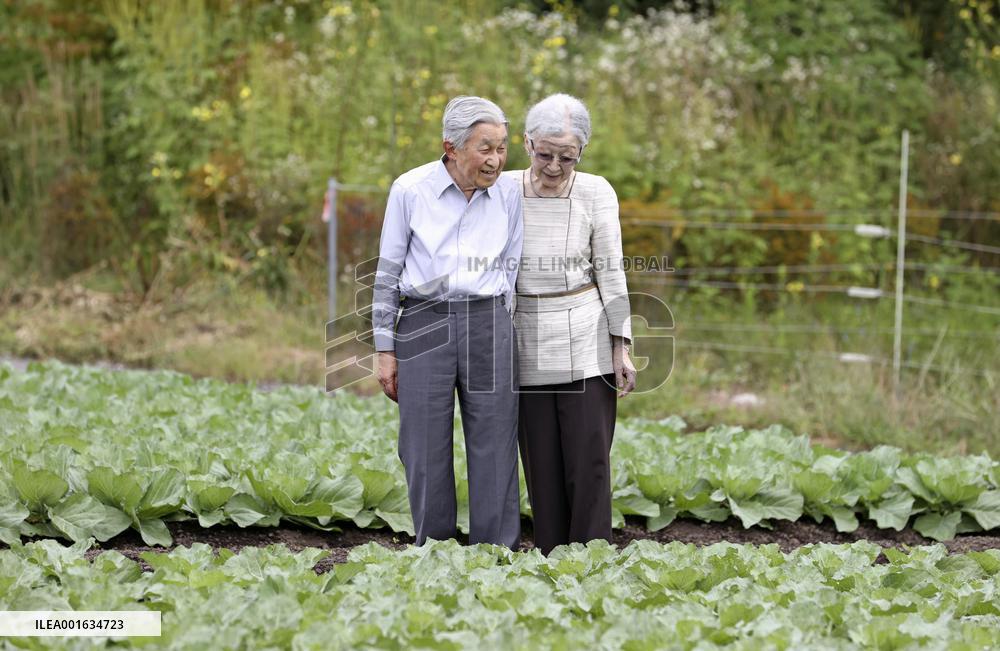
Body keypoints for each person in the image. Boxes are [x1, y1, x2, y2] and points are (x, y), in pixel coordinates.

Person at [371, 96, 523, 550]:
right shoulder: (410, 189)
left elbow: (511, 264)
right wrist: (384, 348)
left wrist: (498, 323)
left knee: (495, 443)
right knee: (422, 446)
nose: (495, 160)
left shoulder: (511, 193)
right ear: (451, 147)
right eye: (485, 148)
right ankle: (434, 551)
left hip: (488, 322)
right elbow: (387, 271)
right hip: (423, 322)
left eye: (501, 148)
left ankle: (495, 553)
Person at [503, 93, 636, 555]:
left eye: (567, 157)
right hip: (525, 338)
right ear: (525, 143)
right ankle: (550, 558)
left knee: (589, 460)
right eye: (545, 154)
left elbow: (611, 269)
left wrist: (621, 345)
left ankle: (593, 558)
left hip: (586, 332)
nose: (555, 166)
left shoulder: (597, 191)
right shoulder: (503, 189)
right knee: (540, 462)